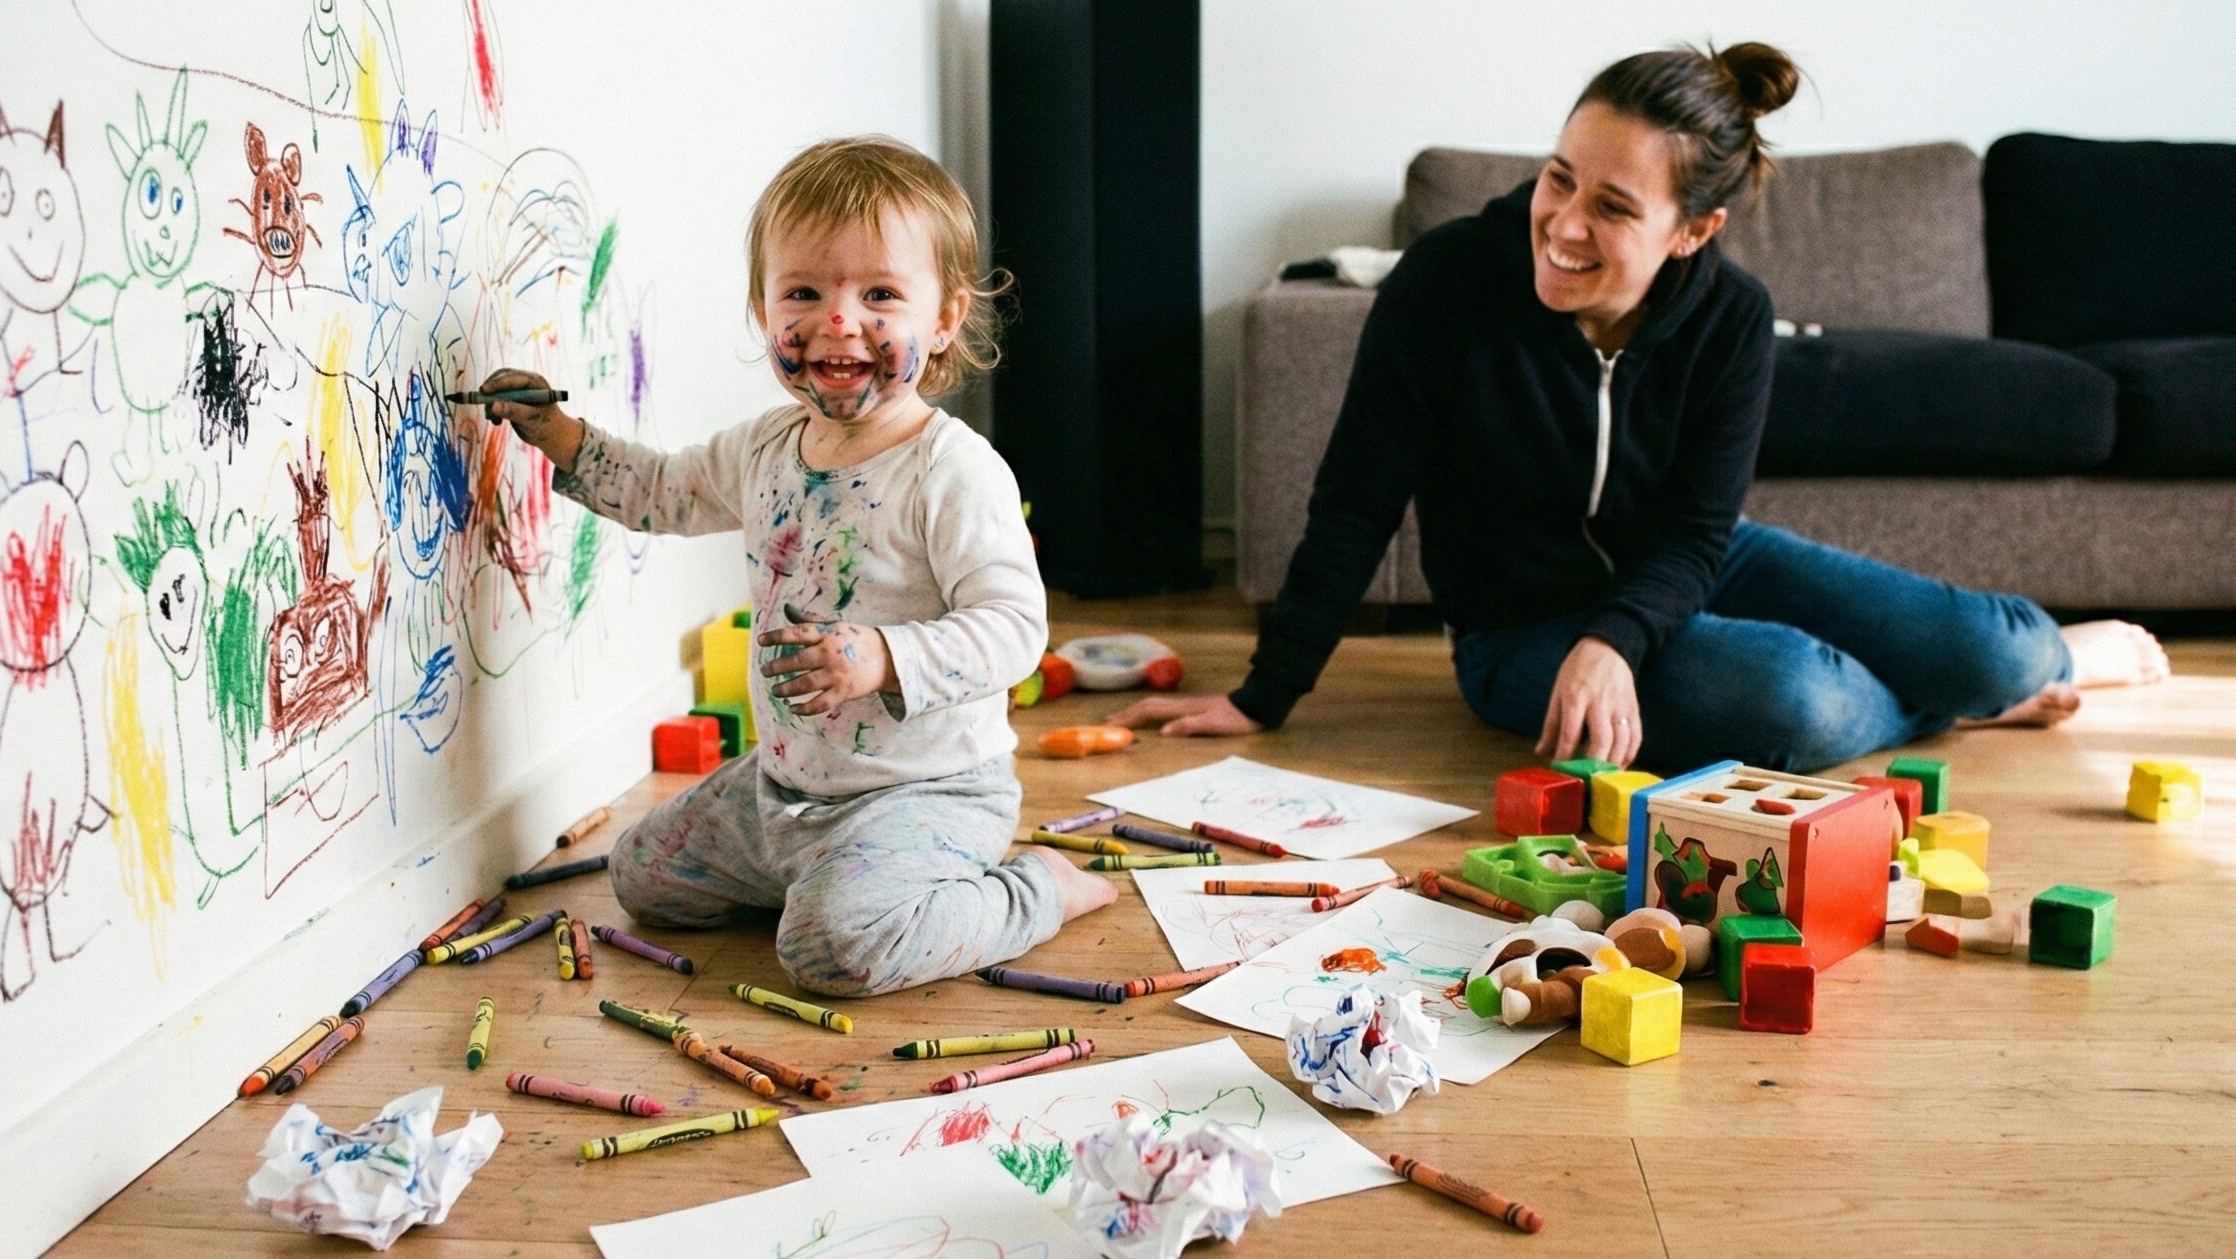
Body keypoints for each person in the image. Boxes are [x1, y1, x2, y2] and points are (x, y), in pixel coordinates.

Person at [1115, 43, 2169, 773]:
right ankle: (1957, 702)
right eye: (1557, 179)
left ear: (1692, 232)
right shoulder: (1444, 283)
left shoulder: (1732, 318)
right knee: (1797, 703)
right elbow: (1354, 502)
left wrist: (1618, 639)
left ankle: (2015, 674)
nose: (1562, 226)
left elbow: (1698, 530)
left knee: (2004, 651)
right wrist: (1264, 693)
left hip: (1694, 561)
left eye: (1612, 206)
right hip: (1515, 632)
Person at [475, 136, 1115, 997]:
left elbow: (1013, 630)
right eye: (804, 292)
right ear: (763, 308)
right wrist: (558, 434)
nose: (838, 320)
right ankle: (827, 882)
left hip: (927, 794)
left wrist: (886, 657)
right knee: (641, 878)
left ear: (945, 319)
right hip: (785, 787)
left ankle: (1036, 890)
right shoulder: (765, 448)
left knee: (831, 954)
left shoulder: (952, 470)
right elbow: (664, 491)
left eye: (880, 294)